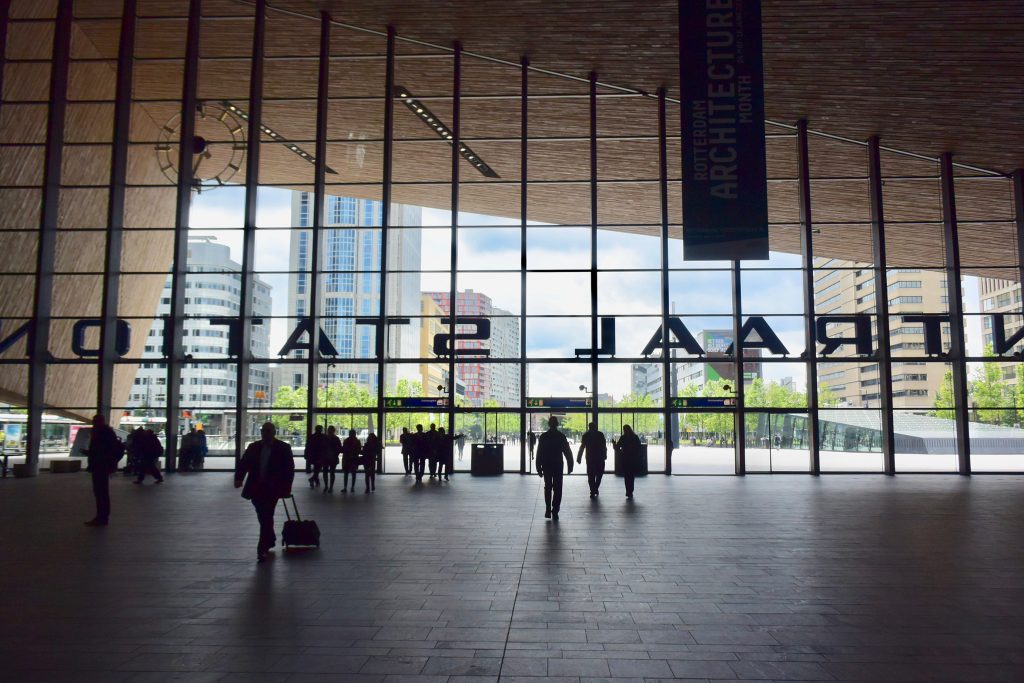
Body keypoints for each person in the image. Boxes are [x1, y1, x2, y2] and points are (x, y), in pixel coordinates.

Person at [234, 422, 295, 562]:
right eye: (263, 431)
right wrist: (238, 478)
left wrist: (286, 488)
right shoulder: (253, 447)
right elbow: (244, 463)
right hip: (256, 487)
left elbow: (289, 469)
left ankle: (262, 548)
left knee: (266, 515)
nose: (265, 434)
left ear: (274, 432)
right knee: (264, 516)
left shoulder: (283, 448)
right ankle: (270, 537)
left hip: (272, 488)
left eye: (268, 431)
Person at [84, 414, 123, 526]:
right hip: (103, 466)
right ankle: (103, 516)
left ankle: (101, 516)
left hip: (99, 466)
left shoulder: (100, 433)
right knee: (102, 492)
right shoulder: (107, 432)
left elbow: (99, 451)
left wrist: (90, 454)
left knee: (100, 492)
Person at [535, 416, 573, 520]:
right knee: (558, 488)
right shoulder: (561, 436)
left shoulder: (543, 437)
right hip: (557, 465)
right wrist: (570, 464)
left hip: (546, 465)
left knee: (548, 487)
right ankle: (555, 510)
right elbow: (567, 452)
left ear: (549, 424)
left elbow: (539, 453)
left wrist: (538, 466)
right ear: (557, 424)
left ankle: (548, 509)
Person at [576, 422, 607, 498]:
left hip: (590, 458)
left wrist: (579, 457)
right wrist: (605, 455)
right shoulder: (600, 434)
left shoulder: (586, 435)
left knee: (591, 476)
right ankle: (595, 488)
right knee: (599, 474)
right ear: (595, 427)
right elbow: (604, 446)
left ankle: (593, 490)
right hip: (600, 458)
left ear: (589, 427)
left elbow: (582, 447)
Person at [614, 424, 642, 499]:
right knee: (631, 476)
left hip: (625, 459)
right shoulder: (635, 437)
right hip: (633, 459)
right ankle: (630, 491)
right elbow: (639, 448)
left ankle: (628, 491)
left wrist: (615, 445)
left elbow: (617, 447)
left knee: (626, 476)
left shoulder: (623, 437)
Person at [323, 425, 341, 492]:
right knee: (332, 473)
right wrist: (335, 454)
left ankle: (326, 486)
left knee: (325, 472)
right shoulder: (336, 439)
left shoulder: (325, 438)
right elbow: (339, 448)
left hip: (325, 457)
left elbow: (322, 448)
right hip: (333, 458)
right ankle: (330, 487)